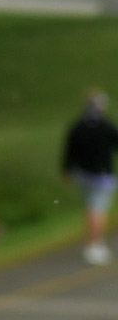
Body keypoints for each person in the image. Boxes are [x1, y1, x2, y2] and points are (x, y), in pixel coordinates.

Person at [62, 90, 118, 266]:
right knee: (98, 210)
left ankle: (93, 243)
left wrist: (67, 170)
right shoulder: (106, 126)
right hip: (102, 175)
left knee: (91, 208)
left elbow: (69, 151)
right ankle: (95, 244)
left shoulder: (78, 126)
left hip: (83, 175)